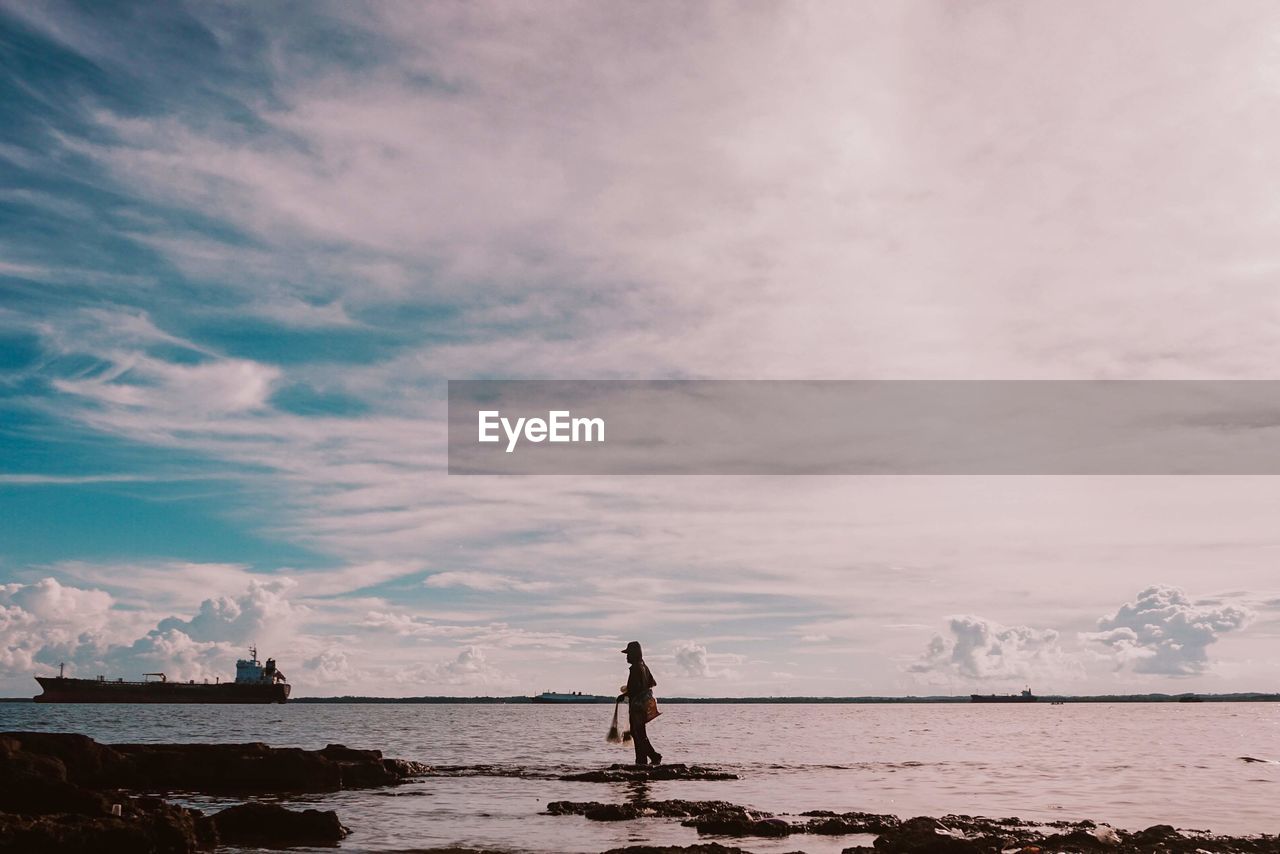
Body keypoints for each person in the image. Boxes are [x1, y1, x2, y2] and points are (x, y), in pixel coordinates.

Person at [618, 640, 662, 766]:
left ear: (634, 654)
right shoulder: (643, 666)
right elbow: (651, 683)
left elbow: (634, 689)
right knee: (639, 733)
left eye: (628, 654)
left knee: (636, 732)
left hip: (637, 707)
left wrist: (624, 696)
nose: (627, 657)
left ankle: (654, 756)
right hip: (642, 706)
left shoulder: (636, 668)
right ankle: (641, 761)